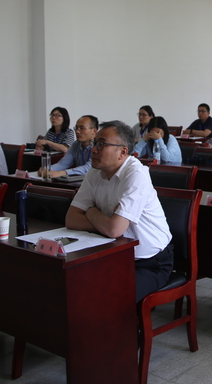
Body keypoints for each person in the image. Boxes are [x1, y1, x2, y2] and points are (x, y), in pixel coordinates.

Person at [66, 121, 172, 302]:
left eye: (101, 144)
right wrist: (107, 222)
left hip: (150, 263)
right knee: (74, 285)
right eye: (94, 143)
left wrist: (90, 211)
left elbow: (114, 229)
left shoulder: (136, 174)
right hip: (113, 254)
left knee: (110, 297)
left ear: (123, 152)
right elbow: (71, 219)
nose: (93, 150)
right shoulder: (95, 171)